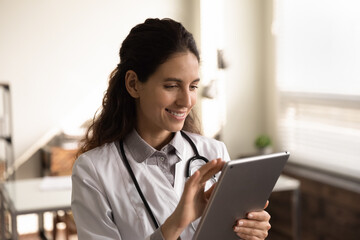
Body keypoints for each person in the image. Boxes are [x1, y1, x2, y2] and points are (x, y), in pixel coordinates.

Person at [71, 18, 271, 240]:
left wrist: (249, 232)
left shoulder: (215, 153)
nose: (186, 101)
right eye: (172, 86)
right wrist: (175, 225)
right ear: (133, 84)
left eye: (193, 86)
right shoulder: (93, 171)